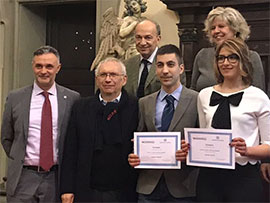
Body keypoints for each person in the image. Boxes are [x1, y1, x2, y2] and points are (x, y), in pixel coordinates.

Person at [1, 46, 80, 202]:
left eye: (49, 66)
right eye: (39, 66)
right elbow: (6, 137)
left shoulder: (72, 99)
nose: (44, 71)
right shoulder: (15, 98)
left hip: (56, 178)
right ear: (33, 66)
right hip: (23, 178)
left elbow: (74, 139)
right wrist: (20, 158)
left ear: (58, 68)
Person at [196, 38, 270, 202]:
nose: (225, 62)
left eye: (232, 57)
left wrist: (247, 150)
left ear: (242, 60)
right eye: (221, 58)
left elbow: (268, 145)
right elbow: (203, 133)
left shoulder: (258, 97)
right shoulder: (204, 95)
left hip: (244, 176)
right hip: (209, 176)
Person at [60, 57, 138, 202]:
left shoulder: (136, 107)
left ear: (124, 79)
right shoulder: (81, 107)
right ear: (97, 79)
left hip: (125, 191)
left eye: (113, 75)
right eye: (103, 75)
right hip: (88, 190)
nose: (108, 79)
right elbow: (70, 150)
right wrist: (67, 188)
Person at [128, 44, 198, 202]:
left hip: (183, 186)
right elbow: (138, 138)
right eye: (160, 65)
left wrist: (189, 153)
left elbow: (202, 140)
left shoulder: (197, 100)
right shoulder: (144, 103)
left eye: (170, 64)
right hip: (149, 186)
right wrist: (135, 155)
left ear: (181, 68)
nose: (165, 70)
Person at [190, 7, 265, 92]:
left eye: (221, 26)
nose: (216, 31)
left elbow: (259, 93)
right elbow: (193, 89)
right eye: (212, 28)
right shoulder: (202, 55)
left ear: (235, 30)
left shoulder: (251, 57)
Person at [124, 19, 186, 98]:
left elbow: (179, 94)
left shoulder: (172, 63)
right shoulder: (127, 65)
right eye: (138, 37)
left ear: (158, 39)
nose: (142, 43)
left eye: (148, 38)